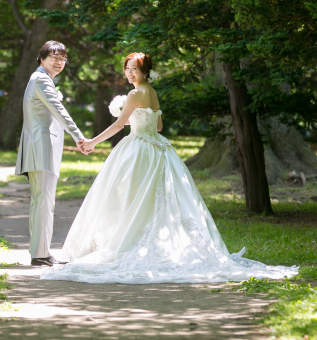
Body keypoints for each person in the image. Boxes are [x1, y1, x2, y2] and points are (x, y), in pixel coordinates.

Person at [41, 53, 298, 284]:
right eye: (127, 69)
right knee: (154, 199)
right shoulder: (151, 92)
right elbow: (160, 126)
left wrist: (92, 142)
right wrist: (136, 118)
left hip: (139, 148)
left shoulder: (134, 94)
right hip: (158, 148)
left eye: (135, 69)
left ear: (145, 72)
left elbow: (119, 126)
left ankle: (127, 241)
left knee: (128, 195)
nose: (130, 73)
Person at [15, 41, 87, 267]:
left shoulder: (42, 79)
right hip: (41, 147)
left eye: (63, 59)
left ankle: (41, 252)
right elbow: (60, 111)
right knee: (44, 201)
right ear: (42, 58)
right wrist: (79, 138)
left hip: (42, 147)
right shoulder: (41, 80)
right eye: (54, 58)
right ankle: (40, 254)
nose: (59, 62)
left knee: (43, 201)